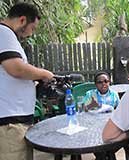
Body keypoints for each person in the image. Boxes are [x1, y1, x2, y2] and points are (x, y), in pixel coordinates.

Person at [0, 3, 54, 160]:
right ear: (22, 20)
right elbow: (16, 69)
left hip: (14, 122)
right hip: (10, 124)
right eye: (33, 28)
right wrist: (44, 74)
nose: (31, 34)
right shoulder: (3, 33)